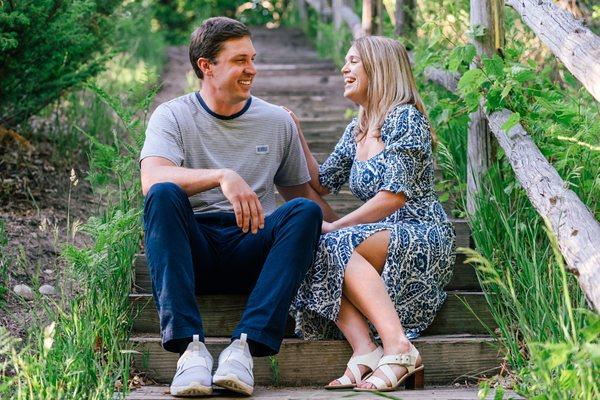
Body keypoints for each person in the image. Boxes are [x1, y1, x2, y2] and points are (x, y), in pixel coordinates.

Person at [140, 17, 325, 397]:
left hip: (253, 246)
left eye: (252, 59)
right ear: (206, 66)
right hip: (194, 251)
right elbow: (151, 179)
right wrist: (222, 175)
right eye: (240, 60)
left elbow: (303, 197)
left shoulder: (276, 121)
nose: (252, 69)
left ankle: (243, 348)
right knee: (162, 193)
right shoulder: (171, 115)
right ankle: (190, 350)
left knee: (306, 213)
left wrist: (352, 228)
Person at [287, 36, 456, 392]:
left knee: (336, 240)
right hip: (381, 235)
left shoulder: (404, 119)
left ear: (378, 68)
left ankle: (400, 348)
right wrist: (296, 133)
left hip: (420, 232)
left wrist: (337, 224)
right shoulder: (358, 127)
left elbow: (393, 197)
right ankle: (365, 349)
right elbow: (320, 183)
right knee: (313, 244)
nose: (343, 69)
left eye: (352, 61)